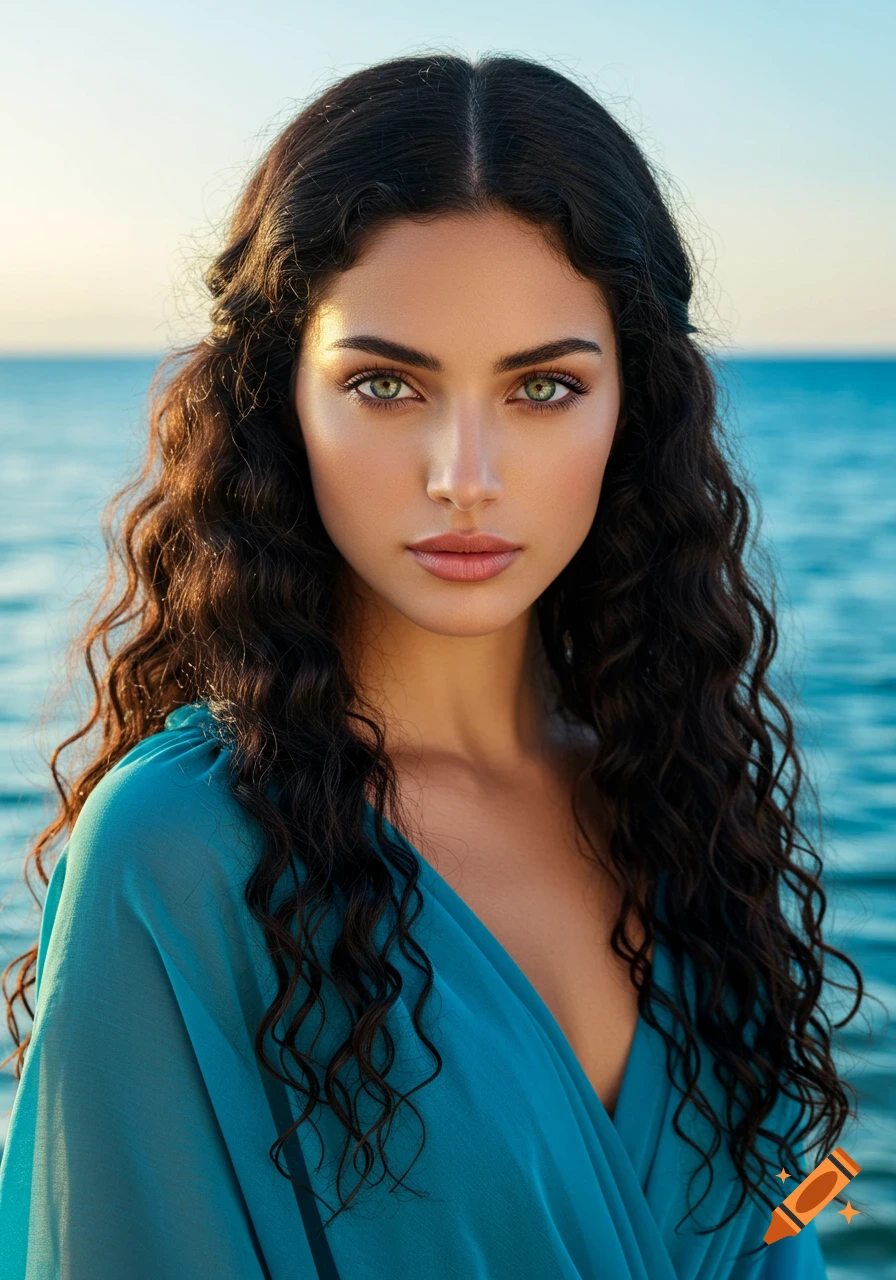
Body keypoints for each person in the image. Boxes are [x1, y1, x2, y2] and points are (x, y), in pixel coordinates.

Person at [0, 52, 863, 1279]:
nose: (464, 470)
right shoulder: (181, 843)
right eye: (387, 383)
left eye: (544, 386)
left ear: (634, 408)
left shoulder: (685, 805)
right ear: (279, 401)